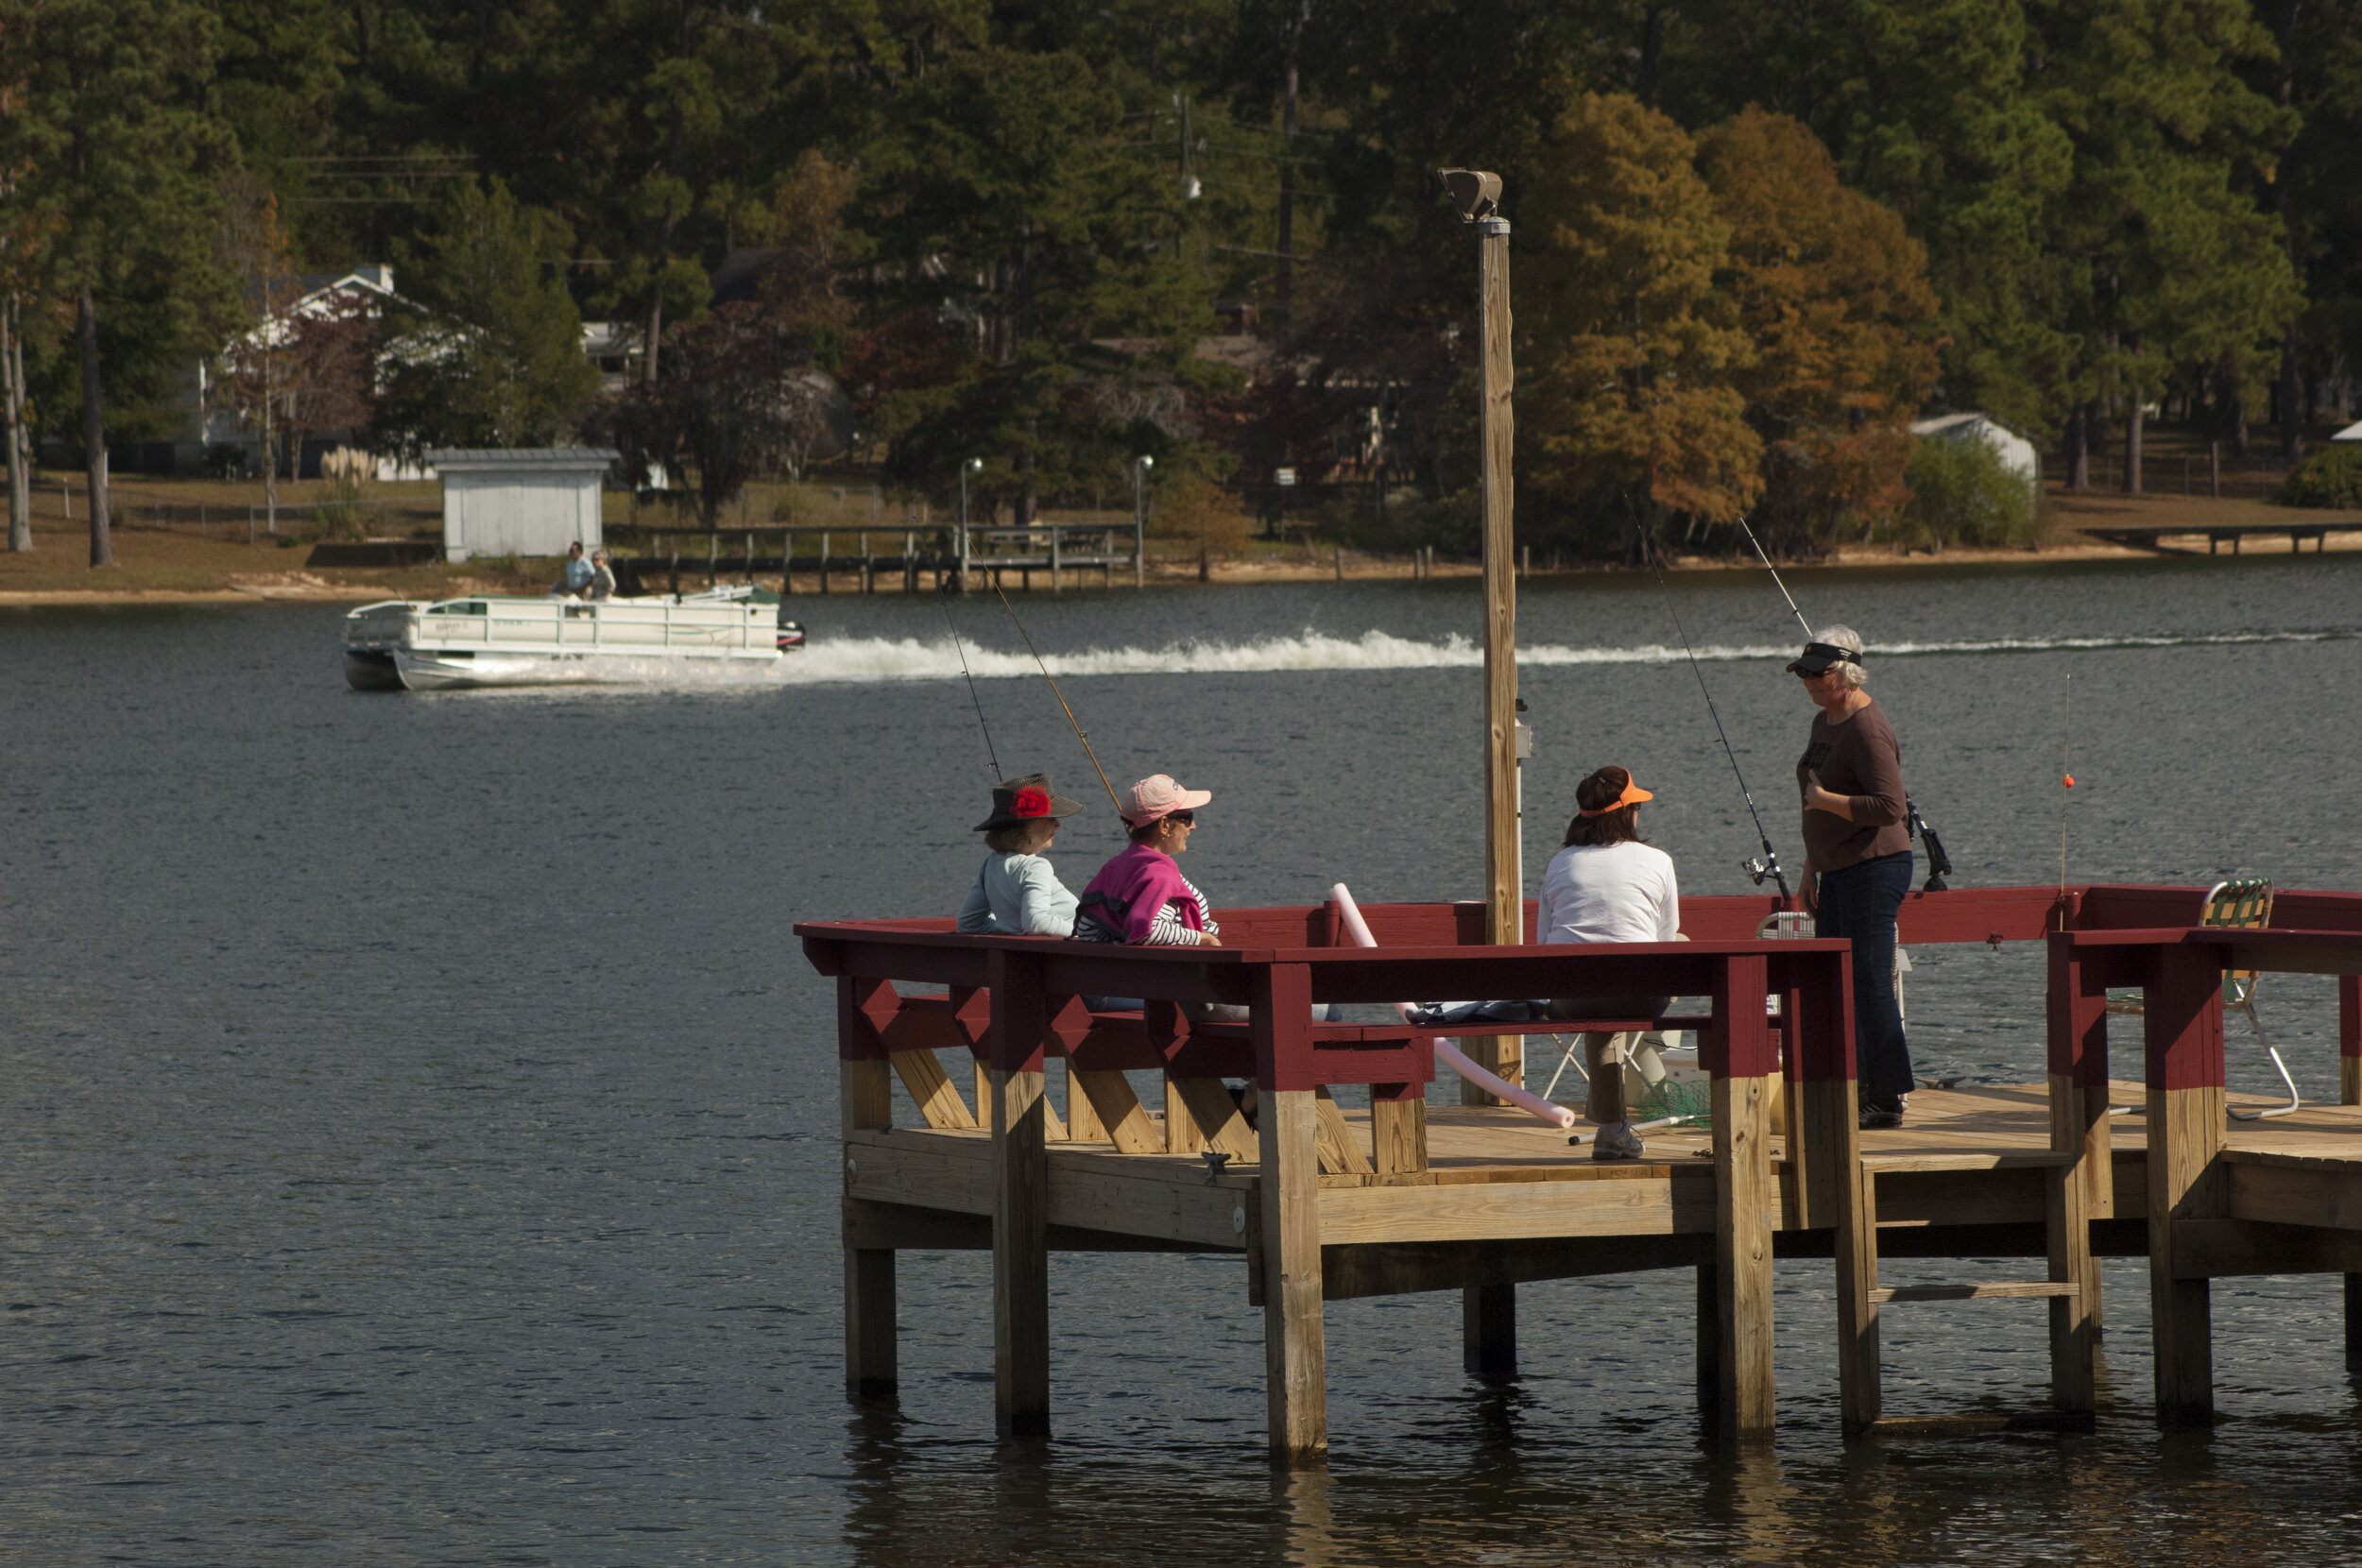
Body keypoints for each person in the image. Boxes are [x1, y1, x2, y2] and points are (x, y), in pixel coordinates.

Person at [1789, 624, 1915, 1130]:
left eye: (1817, 674)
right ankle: (1855, 1084)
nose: (1809, 683)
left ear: (1844, 673)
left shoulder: (1867, 728)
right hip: (1835, 868)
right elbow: (1814, 802)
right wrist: (1809, 868)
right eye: (1802, 674)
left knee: (1869, 980)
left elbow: (1891, 807)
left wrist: (1827, 803)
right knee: (1835, 981)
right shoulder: (1826, 721)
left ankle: (1886, 1099)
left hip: (1875, 867)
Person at [1536, 765, 1681, 1161]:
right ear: (1626, 813)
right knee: (1672, 948)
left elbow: (1543, 941)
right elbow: (1666, 939)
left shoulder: (1560, 863)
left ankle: (1612, 1127)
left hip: (1573, 998)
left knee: (1598, 993)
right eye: (1635, 806)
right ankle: (1632, 1112)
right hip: (1642, 997)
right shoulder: (1658, 861)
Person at [1071, 773, 1245, 1021]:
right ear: (1164, 825)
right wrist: (1202, 938)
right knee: (1295, 1006)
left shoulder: (1117, 866)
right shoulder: (1158, 875)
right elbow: (1146, 931)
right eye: (1187, 818)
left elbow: (1088, 929)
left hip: (1109, 986)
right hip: (1171, 996)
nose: (1193, 826)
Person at [958, 775, 1087, 937]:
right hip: (1068, 956)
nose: (1058, 825)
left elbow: (969, 924)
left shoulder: (991, 864)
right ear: (1030, 827)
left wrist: (1007, 926)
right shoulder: (1036, 867)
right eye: (1051, 818)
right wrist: (1087, 934)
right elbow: (1037, 923)